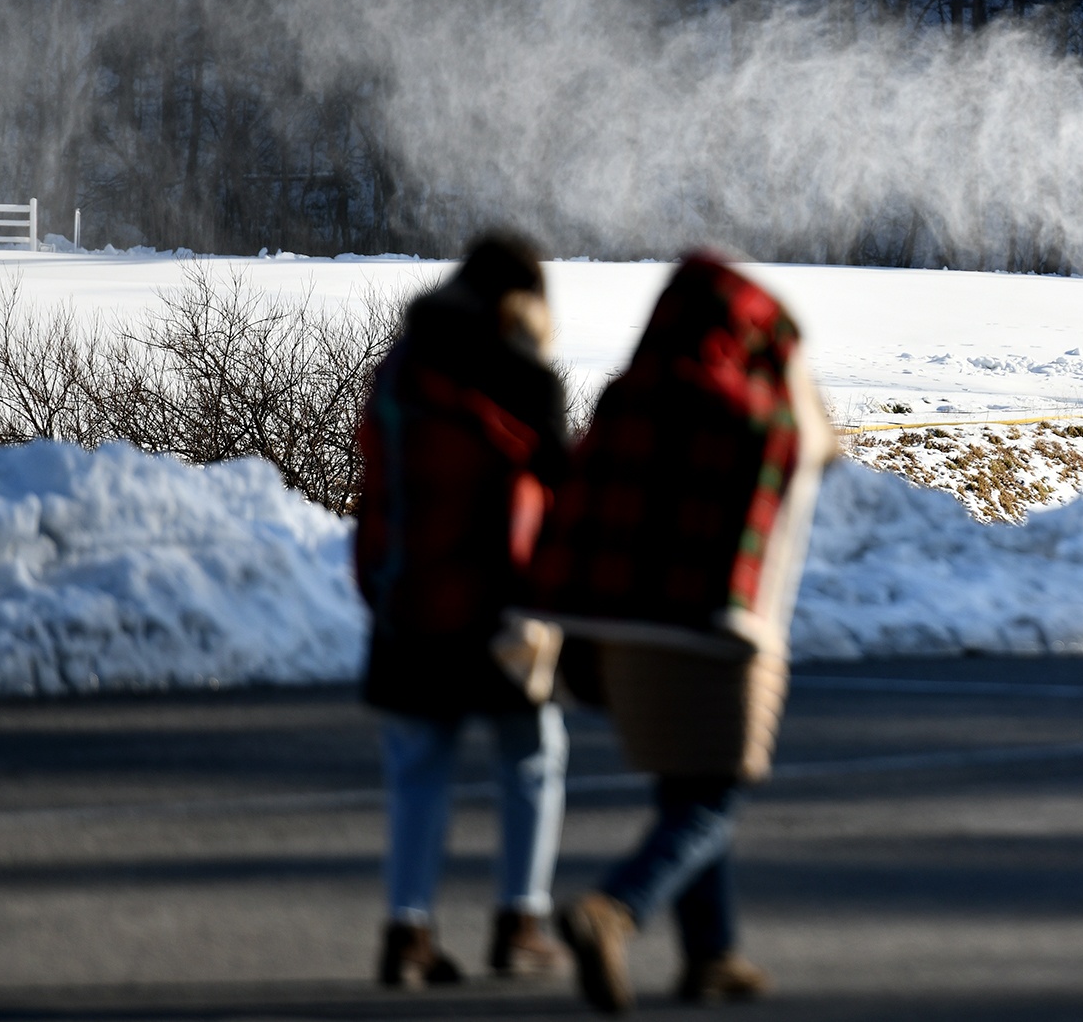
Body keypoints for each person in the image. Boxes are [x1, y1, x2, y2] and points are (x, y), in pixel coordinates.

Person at [524, 252, 835, 1013]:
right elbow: (815, 455)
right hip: (712, 627)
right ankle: (615, 907)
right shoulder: (755, 404)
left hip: (628, 630)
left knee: (683, 785)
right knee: (714, 795)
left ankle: (711, 952)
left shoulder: (629, 395)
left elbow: (582, 503)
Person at [352, 232, 573, 987]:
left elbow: (377, 485)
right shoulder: (523, 376)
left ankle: (406, 928)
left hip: (409, 602)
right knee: (532, 756)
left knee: (418, 766)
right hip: (498, 612)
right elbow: (559, 492)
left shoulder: (400, 370)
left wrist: (377, 590)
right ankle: (521, 918)